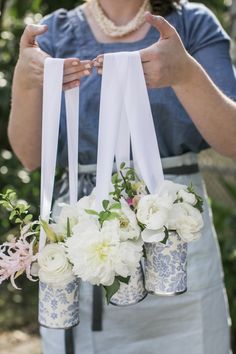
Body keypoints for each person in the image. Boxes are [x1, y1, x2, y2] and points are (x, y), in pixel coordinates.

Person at [8, 0, 236, 353]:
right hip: (85, 250)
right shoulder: (53, 33)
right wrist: (24, 83)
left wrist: (186, 74)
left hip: (178, 247)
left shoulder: (192, 24)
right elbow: (29, 155)